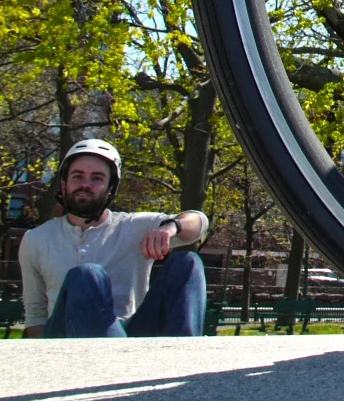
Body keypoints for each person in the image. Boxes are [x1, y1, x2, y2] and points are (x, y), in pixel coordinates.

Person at [19, 139, 210, 338]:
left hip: (131, 335)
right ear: (64, 183)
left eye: (97, 178)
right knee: (86, 275)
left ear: (110, 187)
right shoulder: (36, 239)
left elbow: (199, 223)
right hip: (67, 340)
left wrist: (172, 227)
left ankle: (180, 356)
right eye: (78, 176)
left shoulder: (133, 226)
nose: (85, 184)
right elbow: (35, 314)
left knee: (187, 261)